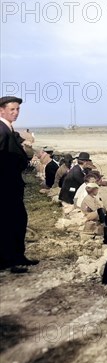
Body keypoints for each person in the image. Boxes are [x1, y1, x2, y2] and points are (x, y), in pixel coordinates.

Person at [0, 96, 38, 273]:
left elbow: (13, 136)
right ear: (1, 110)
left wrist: (23, 139)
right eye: (12, 109)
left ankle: (14, 257)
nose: (15, 113)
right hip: (6, 186)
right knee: (14, 221)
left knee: (14, 221)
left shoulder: (7, 128)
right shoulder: (1, 130)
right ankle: (12, 259)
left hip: (10, 185)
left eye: (18, 110)